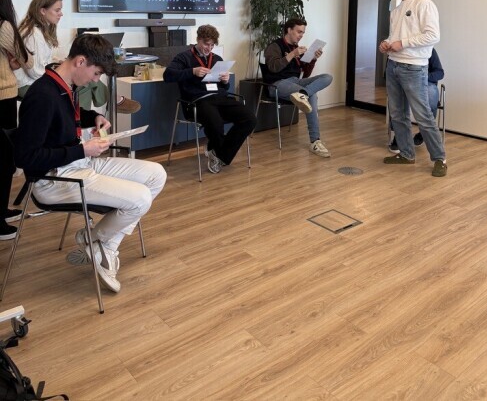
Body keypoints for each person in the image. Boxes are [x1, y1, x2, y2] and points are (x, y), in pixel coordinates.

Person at [14, 34, 166, 292]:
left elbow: (64, 119)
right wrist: (81, 149)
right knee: (140, 198)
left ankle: (100, 242)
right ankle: (100, 245)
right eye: (96, 74)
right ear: (80, 61)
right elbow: (26, 157)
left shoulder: (65, 85)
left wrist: (93, 117)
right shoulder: (42, 96)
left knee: (156, 174)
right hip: (51, 180)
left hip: (78, 163)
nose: (96, 80)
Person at [379, 0, 447, 177]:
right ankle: (406, 154)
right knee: (397, 114)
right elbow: (395, 37)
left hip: (414, 68)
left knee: (423, 115)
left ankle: (440, 159)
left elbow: (433, 36)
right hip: (393, 65)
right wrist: (386, 43)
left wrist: (403, 43)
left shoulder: (424, 4)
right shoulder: (396, 11)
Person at [164, 24, 256, 174]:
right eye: (206, 44)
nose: (209, 48)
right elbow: (168, 75)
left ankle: (219, 154)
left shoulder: (217, 59)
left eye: (212, 45)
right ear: (198, 40)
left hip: (220, 99)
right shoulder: (184, 57)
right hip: (197, 101)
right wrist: (192, 71)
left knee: (250, 119)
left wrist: (225, 81)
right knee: (215, 122)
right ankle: (220, 153)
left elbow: (224, 87)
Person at [263, 17, 332, 158]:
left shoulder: (296, 48)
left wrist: (313, 59)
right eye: (299, 32)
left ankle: (303, 93)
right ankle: (315, 141)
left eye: (303, 33)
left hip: (296, 83)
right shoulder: (274, 46)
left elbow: (305, 74)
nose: (301, 35)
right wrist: (292, 54)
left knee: (327, 77)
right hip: (277, 84)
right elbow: (273, 67)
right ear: (289, 30)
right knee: (312, 95)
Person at [0, 0, 34, 239]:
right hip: (2, 98)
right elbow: (26, 60)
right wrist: (17, 59)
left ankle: (2, 210)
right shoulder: (4, 26)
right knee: (4, 160)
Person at [388, 48, 444, 152]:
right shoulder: (399, 50)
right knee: (397, 100)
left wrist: (422, 76)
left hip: (425, 82)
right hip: (405, 84)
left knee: (431, 97)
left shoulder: (429, 49)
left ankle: (424, 134)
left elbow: (439, 73)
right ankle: (400, 137)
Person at [15, 0, 63, 97]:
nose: (61, 14)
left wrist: (58, 62)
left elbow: (42, 59)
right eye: (57, 10)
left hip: (33, 81)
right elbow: (35, 72)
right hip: (27, 84)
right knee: (80, 87)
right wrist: (59, 73)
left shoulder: (39, 30)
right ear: (43, 11)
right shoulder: (33, 34)